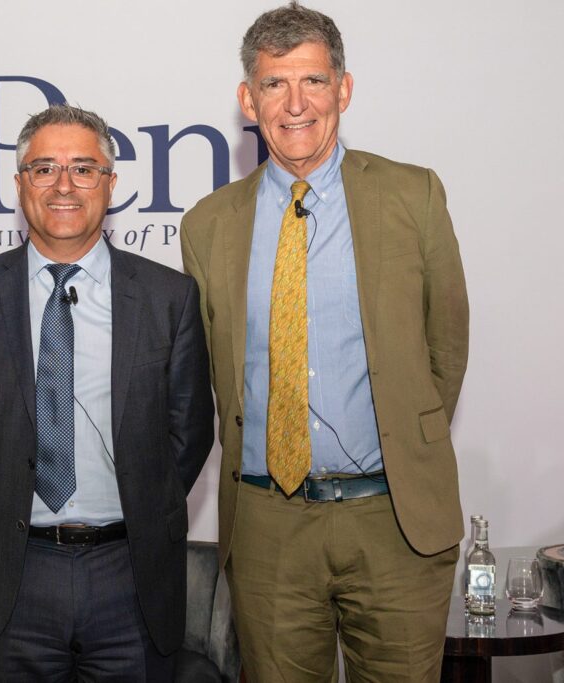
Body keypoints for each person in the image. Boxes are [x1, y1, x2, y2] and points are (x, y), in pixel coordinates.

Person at [180, 3, 468, 681]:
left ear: (344, 88)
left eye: (312, 81)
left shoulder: (412, 195)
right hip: (268, 526)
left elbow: (444, 350)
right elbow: (205, 376)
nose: (295, 103)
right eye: (275, 84)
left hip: (394, 523)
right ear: (248, 99)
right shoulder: (208, 226)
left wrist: (404, 441)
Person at [0, 104, 214, 681]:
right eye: (43, 169)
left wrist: (137, 507)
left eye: (83, 169)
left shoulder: (169, 297)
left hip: (130, 573)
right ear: (18, 184)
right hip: (14, 573)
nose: (63, 186)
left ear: (110, 184)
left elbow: (191, 432)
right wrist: (1, 504)